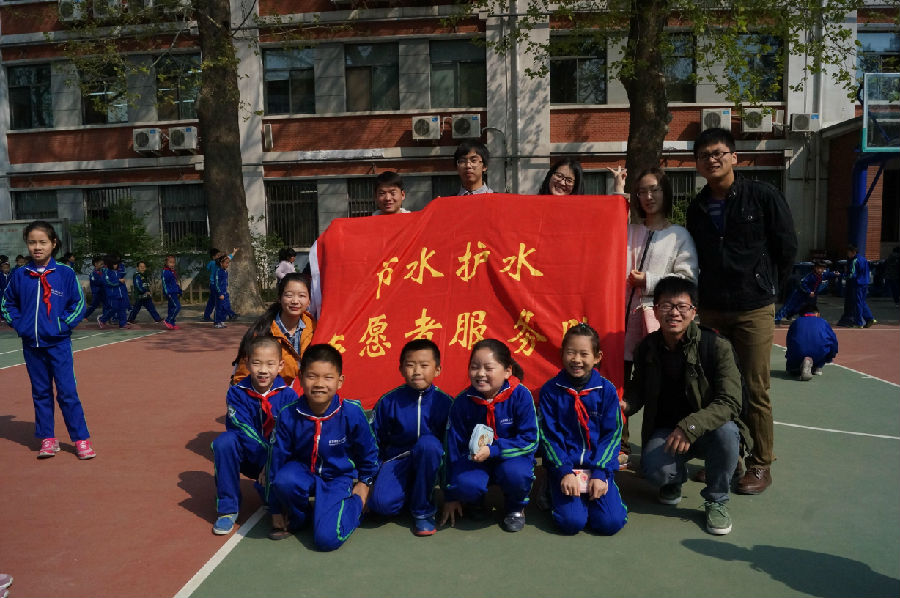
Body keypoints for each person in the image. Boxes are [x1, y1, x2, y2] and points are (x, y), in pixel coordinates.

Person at [686, 127, 797, 495]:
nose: (712, 160)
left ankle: (760, 463)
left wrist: (769, 290)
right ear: (697, 164)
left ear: (734, 157)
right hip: (713, 309)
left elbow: (786, 247)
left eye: (718, 153)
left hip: (753, 308)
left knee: (754, 387)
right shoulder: (698, 207)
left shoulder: (762, 196)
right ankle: (725, 459)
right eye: (704, 155)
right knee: (716, 386)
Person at [623, 277, 747, 535]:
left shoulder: (716, 346)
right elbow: (638, 390)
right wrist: (624, 404)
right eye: (666, 306)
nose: (674, 313)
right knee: (654, 471)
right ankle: (674, 479)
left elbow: (730, 402)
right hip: (666, 431)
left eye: (682, 306)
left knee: (728, 433)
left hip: (708, 430)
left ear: (694, 311)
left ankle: (716, 500)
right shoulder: (647, 348)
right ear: (655, 310)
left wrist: (690, 427)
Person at [0, 220, 97, 460]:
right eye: (32, 242)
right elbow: (6, 304)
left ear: (53, 243)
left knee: (67, 392)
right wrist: (20, 324)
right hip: (32, 346)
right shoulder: (20, 275)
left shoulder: (64, 273)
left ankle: (80, 439)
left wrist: (61, 325)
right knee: (41, 392)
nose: (37, 247)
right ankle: (48, 438)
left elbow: (78, 304)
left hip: (58, 344)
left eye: (42, 242)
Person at [268, 344, 379, 550]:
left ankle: (353, 504)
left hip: (337, 478)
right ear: (301, 378)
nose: (319, 384)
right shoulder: (288, 414)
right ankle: (302, 517)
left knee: (327, 540)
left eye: (328, 377)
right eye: (312, 376)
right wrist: (274, 509)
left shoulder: (351, 412)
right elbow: (276, 462)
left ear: (340, 381)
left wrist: (365, 483)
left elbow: (369, 452)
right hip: (302, 473)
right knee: (284, 480)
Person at [538, 323, 628, 536]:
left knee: (610, 523)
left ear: (597, 357)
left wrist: (600, 472)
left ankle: (604, 492)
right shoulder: (550, 391)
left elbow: (612, 435)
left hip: (597, 466)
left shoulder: (606, 390)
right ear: (562, 354)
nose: (576, 360)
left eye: (584, 354)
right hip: (566, 467)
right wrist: (563, 471)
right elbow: (549, 437)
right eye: (571, 352)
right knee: (571, 523)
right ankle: (552, 487)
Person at [441, 339, 538, 533]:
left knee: (517, 474)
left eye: (488, 368)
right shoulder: (462, 402)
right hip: (476, 461)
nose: (480, 374)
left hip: (510, 459)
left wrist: (494, 450)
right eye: (474, 367)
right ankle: (474, 502)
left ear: (507, 371)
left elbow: (530, 440)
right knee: (465, 484)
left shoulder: (521, 395)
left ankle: (515, 508)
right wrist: (451, 495)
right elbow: (452, 448)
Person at [211, 335, 298, 535]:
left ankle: (271, 493)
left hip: (277, 460)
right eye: (257, 363)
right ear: (248, 363)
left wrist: (272, 463)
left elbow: (288, 436)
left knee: (280, 500)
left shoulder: (289, 396)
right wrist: (265, 460)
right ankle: (228, 509)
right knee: (224, 442)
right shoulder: (236, 393)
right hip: (249, 456)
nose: (263, 370)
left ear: (280, 365)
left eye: (270, 364)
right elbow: (241, 428)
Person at [369, 339, 453, 536]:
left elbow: (452, 449)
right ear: (401, 369)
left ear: (437, 370)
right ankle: (412, 492)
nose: (417, 371)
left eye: (424, 365)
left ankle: (423, 511)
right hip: (397, 460)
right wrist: (370, 482)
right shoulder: (388, 401)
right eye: (410, 365)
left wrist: (451, 494)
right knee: (381, 505)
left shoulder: (446, 403)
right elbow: (374, 443)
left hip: (430, 462)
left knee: (429, 445)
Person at [231, 273, 316, 386]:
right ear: (279, 298)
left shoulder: (316, 329)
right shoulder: (262, 332)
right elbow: (242, 378)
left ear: (309, 300)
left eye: (302, 296)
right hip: (272, 395)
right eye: (289, 295)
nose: (295, 301)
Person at [785, 302, 839, 381]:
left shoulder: (796, 322)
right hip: (819, 354)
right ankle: (817, 366)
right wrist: (829, 358)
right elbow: (834, 341)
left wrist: (789, 357)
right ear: (817, 313)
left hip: (798, 354)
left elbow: (789, 342)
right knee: (825, 347)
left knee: (792, 367)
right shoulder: (824, 322)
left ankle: (796, 367)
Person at [775, 260, 838, 325]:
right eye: (818, 268)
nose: (820, 270)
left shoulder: (822, 275)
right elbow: (803, 283)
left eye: (822, 269)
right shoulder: (810, 276)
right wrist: (809, 291)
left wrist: (834, 274)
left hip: (809, 296)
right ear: (815, 268)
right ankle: (777, 318)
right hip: (800, 293)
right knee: (789, 305)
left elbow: (827, 275)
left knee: (801, 307)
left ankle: (791, 315)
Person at [837, 244, 875, 328]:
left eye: (848, 252)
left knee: (857, 303)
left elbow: (852, 274)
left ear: (853, 252)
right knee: (862, 301)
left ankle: (859, 322)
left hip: (858, 284)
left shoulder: (855, 261)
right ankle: (869, 318)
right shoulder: (864, 259)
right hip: (865, 283)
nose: (847, 254)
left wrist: (842, 276)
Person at [203, 247, 239, 321]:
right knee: (223, 300)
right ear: (213, 257)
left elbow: (207, 268)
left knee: (212, 301)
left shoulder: (213, 262)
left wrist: (234, 252)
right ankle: (230, 314)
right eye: (218, 255)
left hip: (213, 285)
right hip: (217, 285)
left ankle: (207, 316)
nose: (219, 256)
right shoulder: (216, 262)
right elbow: (227, 258)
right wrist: (233, 252)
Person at [97, 254, 130, 329]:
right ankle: (102, 319)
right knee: (114, 308)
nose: (116, 265)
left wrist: (124, 293)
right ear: (109, 264)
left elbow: (122, 281)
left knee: (122, 309)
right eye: (114, 264)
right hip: (113, 295)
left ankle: (123, 324)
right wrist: (118, 281)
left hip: (121, 294)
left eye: (117, 264)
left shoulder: (118, 272)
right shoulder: (106, 272)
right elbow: (107, 282)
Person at [212, 254, 237, 329]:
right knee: (219, 308)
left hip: (225, 293)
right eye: (226, 263)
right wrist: (220, 293)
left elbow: (225, 282)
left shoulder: (225, 272)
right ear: (221, 263)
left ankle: (222, 320)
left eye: (228, 263)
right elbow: (217, 284)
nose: (227, 265)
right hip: (220, 293)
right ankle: (217, 322)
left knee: (226, 307)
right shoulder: (218, 271)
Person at [161, 254, 182, 330]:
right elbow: (164, 283)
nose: (172, 264)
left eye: (173, 262)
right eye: (170, 262)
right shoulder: (165, 272)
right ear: (166, 263)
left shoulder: (172, 272)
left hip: (174, 292)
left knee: (171, 308)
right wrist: (167, 292)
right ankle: (168, 320)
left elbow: (175, 283)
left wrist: (179, 290)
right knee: (177, 306)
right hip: (170, 293)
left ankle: (172, 323)